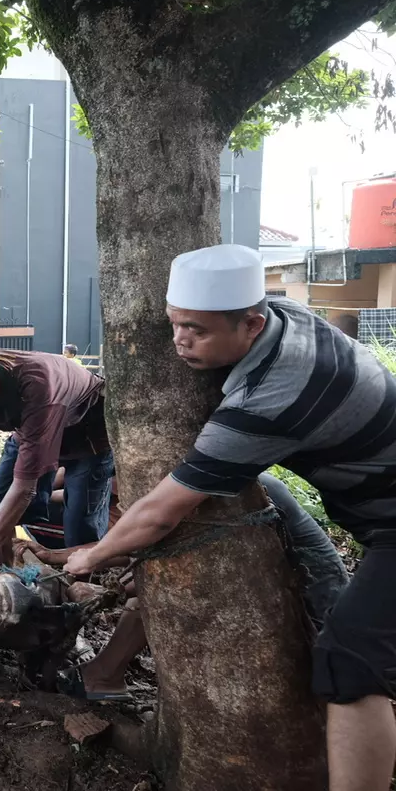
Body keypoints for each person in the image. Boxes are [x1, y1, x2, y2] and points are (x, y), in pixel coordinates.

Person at [61, 244, 396, 791]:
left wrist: (92, 555)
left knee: (351, 664)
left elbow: (159, 515)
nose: (180, 342)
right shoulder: (289, 320)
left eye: (197, 330)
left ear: (252, 323)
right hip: (370, 506)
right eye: (175, 325)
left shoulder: (269, 396)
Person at [42, 472, 348, 702]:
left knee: (157, 591)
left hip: (313, 615)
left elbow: (152, 544)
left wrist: (110, 577)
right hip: (275, 597)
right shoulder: (211, 488)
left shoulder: (234, 492)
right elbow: (140, 545)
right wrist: (56, 556)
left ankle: (105, 676)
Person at [0, 344, 114, 601]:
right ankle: (11, 572)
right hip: (29, 431)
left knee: (80, 522)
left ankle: (76, 595)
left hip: (86, 433)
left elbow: (25, 488)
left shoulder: (38, 386)